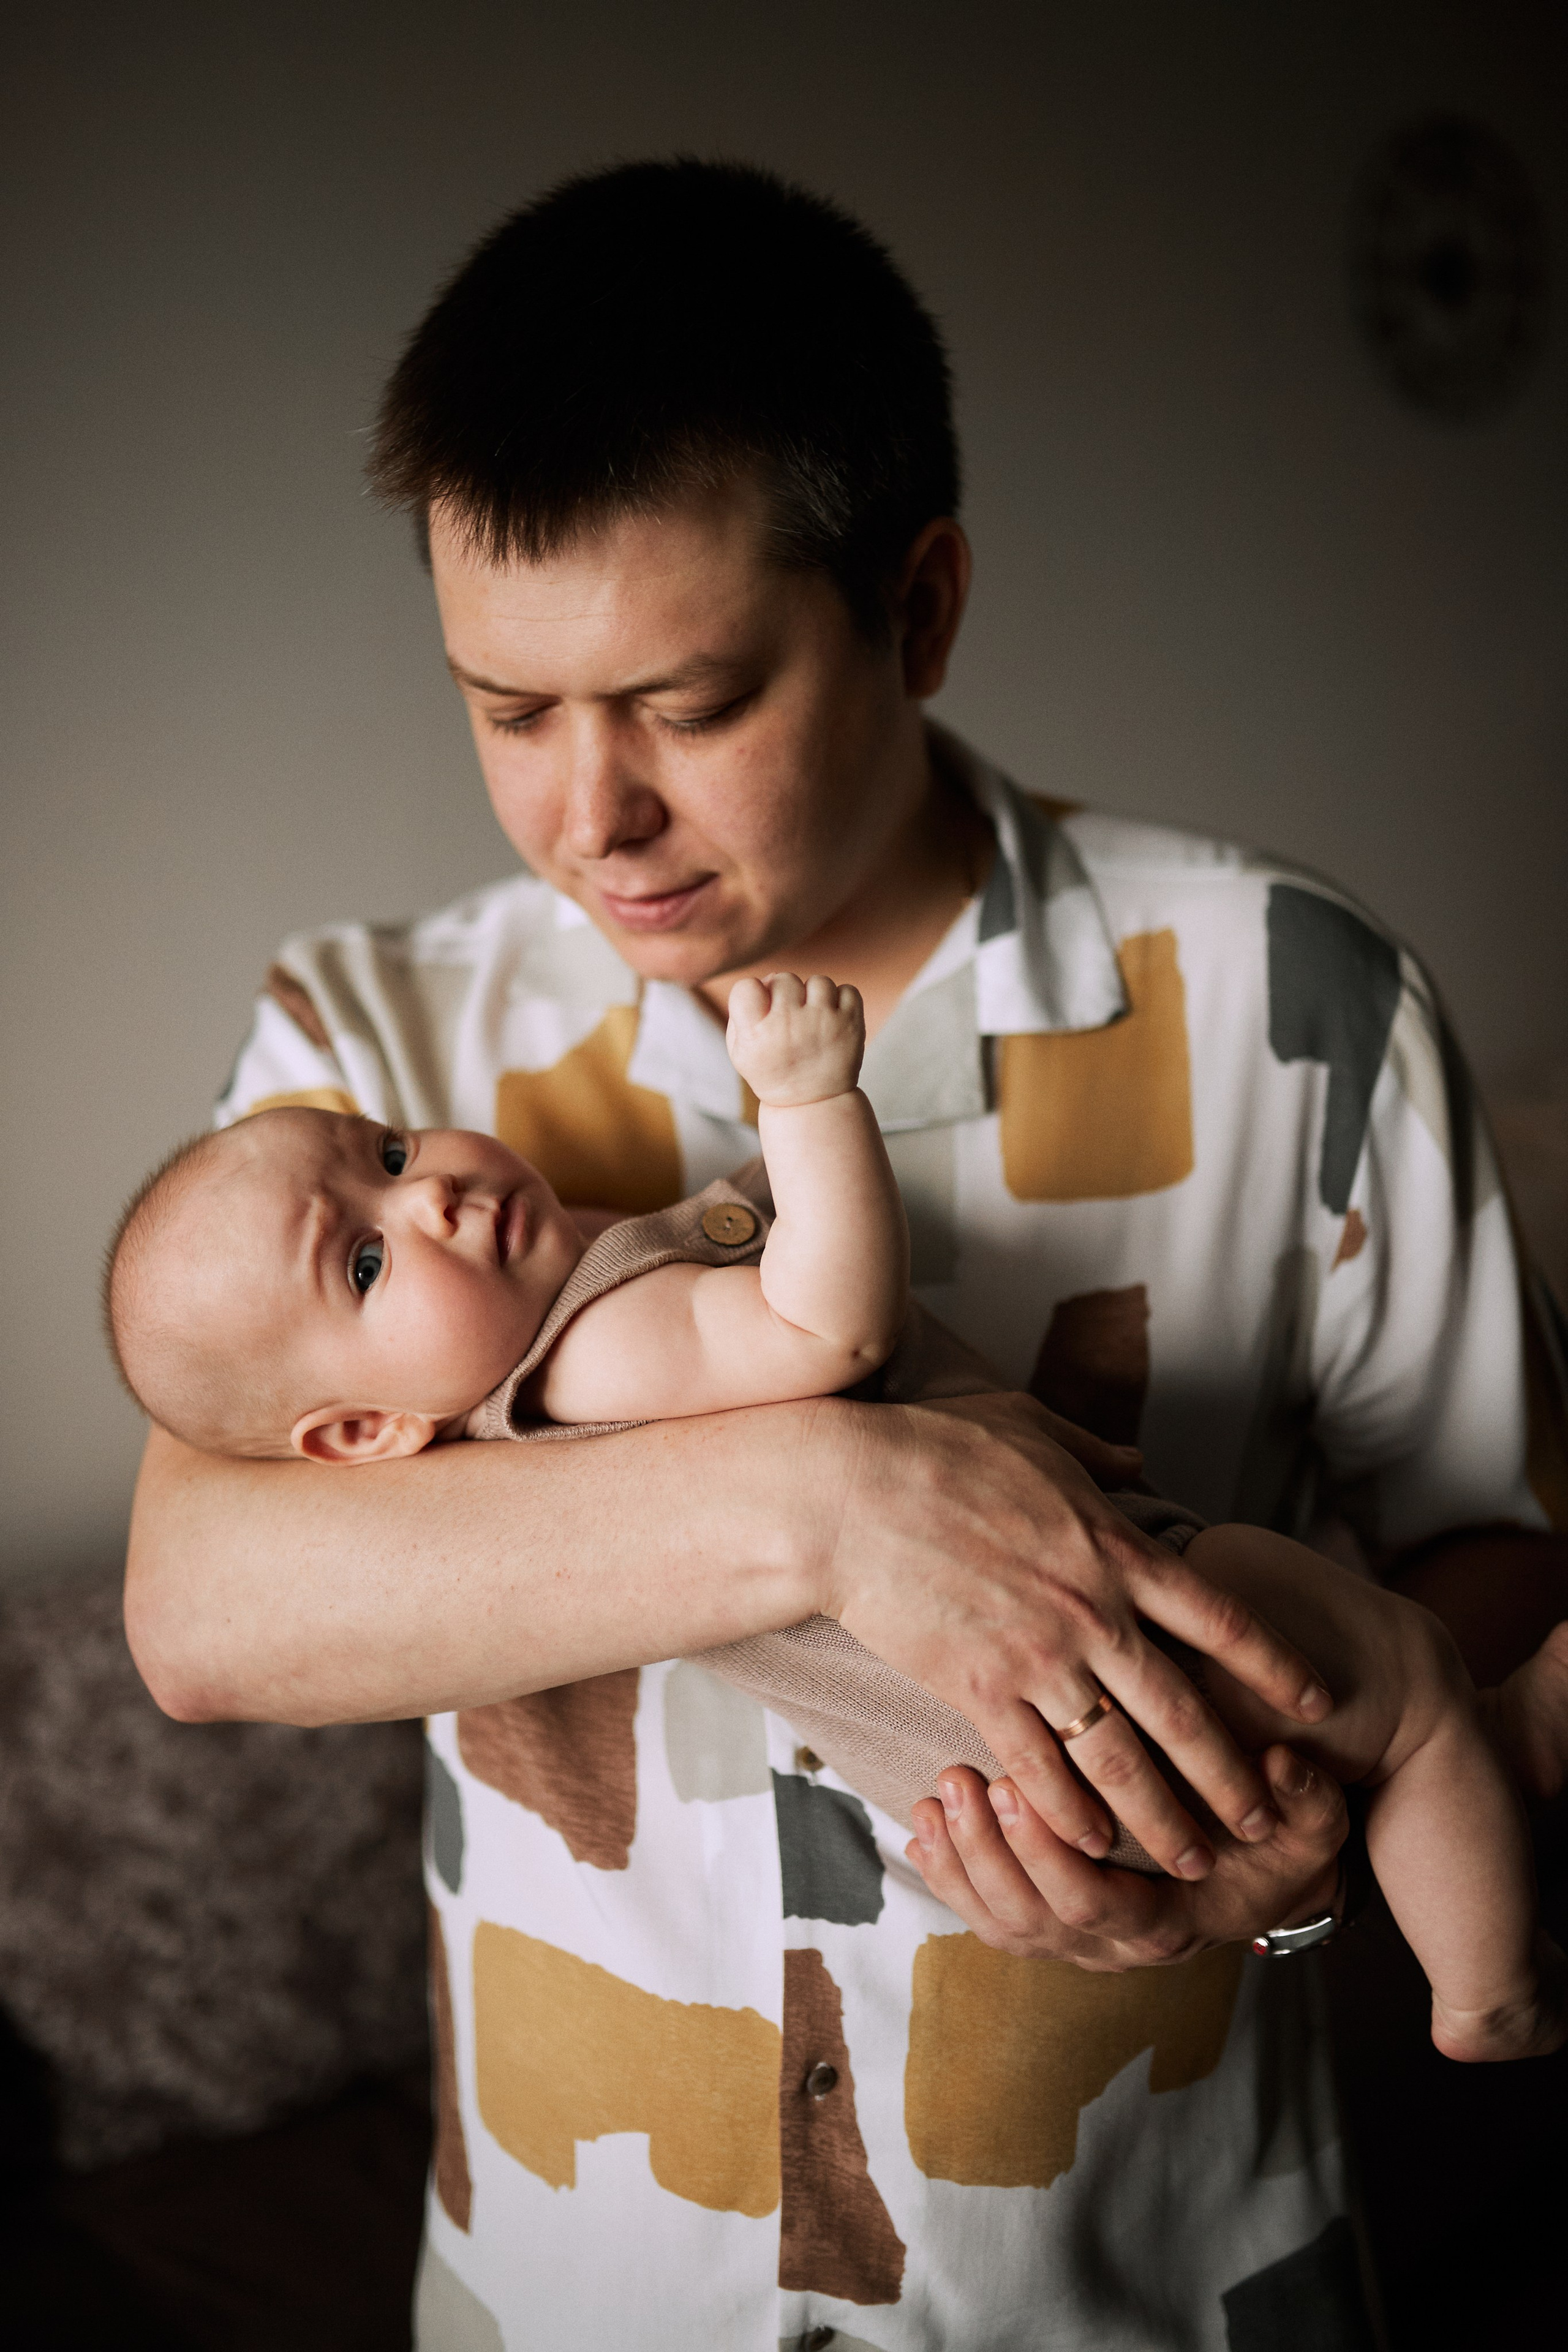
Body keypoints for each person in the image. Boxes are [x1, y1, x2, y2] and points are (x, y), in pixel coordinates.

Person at [123, 159, 1568, 2348]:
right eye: (508, 710)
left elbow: (1506, 1555)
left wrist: (1300, 1852)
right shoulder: (369, 1053)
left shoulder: (1302, 996)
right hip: (581, 2290)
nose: (583, 817)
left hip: (1133, 2281)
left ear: (918, 607)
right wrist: (835, 1498)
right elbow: (211, 1610)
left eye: (683, 708)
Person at [107, 1008, 1568, 2071]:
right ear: (356, 1436)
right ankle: (1485, 1974)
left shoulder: (525, 1387)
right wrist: (809, 1103)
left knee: (1385, 1724)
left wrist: (1287, 1897)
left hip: (1012, 1790)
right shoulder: (596, 1344)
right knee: (1408, 1676)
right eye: (366, 1256)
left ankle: (1471, 1798)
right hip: (1105, 1677)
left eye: (387, 1145)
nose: (424, 1189)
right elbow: (830, 1320)